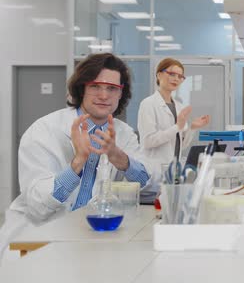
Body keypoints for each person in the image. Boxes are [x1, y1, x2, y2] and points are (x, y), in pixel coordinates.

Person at [0, 53, 151, 259]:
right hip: (36, 238)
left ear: (120, 95)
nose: (104, 95)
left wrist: (121, 159)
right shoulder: (43, 130)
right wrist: (77, 163)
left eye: (112, 88)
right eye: (95, 86)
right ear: (82, 89)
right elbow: (37, 207)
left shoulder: (123, 133)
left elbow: (149, 184)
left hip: (90, 237)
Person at [137, 58, 209, 202]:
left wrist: (192, 128)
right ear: (159, 75)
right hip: (153, 173)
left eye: (180, 76)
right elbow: (148, 141)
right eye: (171, 74)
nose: (176, 79)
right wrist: (177, 127)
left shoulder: (179, 106)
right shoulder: (148, 104)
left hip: (172, 173)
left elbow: (181, 145)